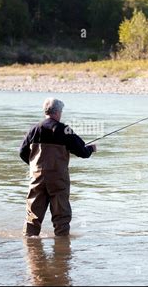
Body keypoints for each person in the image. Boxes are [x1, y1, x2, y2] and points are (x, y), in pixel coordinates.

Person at [19, 98, 96, 236]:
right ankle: (62, 249)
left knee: (33, 216)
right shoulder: (65, 130)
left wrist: (35, 167)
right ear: (58, 112)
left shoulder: (34, 129)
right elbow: (82, 152)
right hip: (58, 178)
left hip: (37, 178)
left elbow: (22, 152)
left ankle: (30, 248)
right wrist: (91, 149)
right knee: (61, 216)